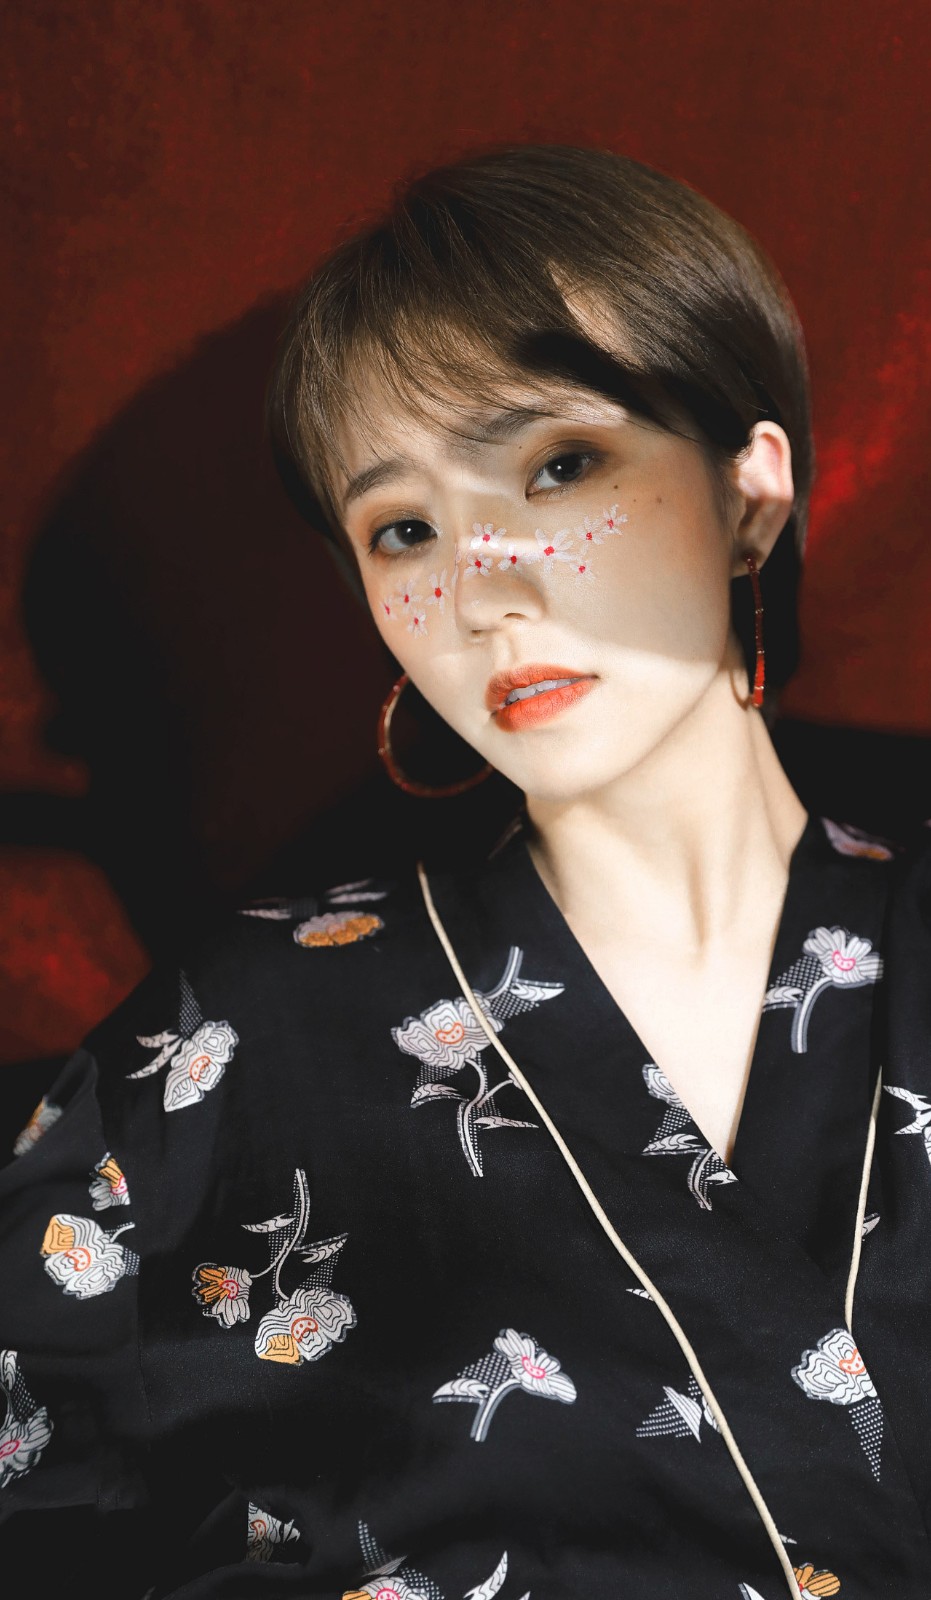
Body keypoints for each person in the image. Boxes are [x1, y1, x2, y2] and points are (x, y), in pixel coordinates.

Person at [2, 144, 930, 1598]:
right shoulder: (231, 1040)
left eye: (560, 466)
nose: (484, 590)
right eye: (404, 530)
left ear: (753, 491)